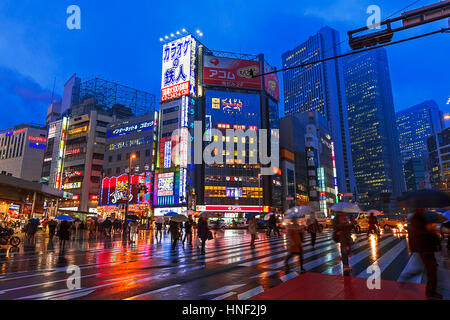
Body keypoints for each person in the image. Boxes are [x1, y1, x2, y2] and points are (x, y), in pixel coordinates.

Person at [407, 208, 442, 299]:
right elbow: (418, 232)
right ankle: (430, 292)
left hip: (426, 247)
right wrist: (429, 229)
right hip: (424, 248)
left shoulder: (421, 216)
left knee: (431, 269)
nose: (424, 208)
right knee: (431, 270)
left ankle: (430, 290)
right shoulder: (416, 218)